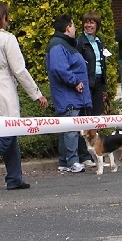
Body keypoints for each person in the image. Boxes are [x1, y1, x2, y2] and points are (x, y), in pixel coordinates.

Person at [0, 2, 47, 193]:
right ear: (3, 18)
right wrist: (36, 94)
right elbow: (19, 70)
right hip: (1, 88)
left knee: (9, 135)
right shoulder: (8, 39)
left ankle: (14, 178)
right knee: (5, 137)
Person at [45, 14, 92, 174]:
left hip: (70, 95)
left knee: (66, 128)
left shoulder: (63, 44)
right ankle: (72, 161)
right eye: (73, 26)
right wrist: (75, 81)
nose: (75, 29)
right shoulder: (58, 45)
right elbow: (59, 68)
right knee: (71, 129)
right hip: (68, 95)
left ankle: (64, 161)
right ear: (67, 28)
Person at [76, 11, 107, 117]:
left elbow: (103, 65)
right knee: (86, 115)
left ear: (97, 25)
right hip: (86, 83)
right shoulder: (79, 42)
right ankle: (84, 134)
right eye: (86, 22)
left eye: (92, 22)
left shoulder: (99, 41)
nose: (88, 25)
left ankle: (94, 133)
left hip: (98, 82)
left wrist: (104, 88)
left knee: (96, 114)